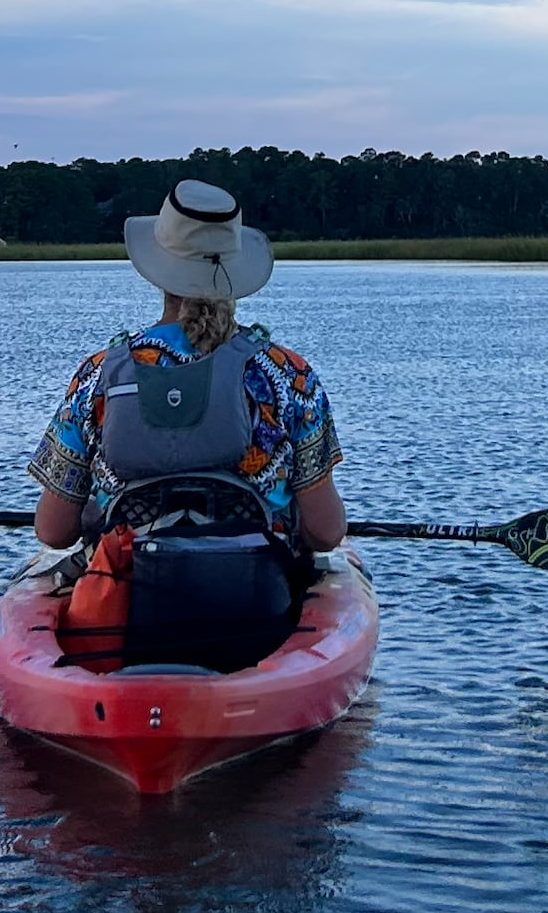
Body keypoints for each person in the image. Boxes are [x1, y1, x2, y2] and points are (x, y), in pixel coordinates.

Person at [29, 179, 343, 672]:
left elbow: (52, 531)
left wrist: (98, 512)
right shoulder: (288, 374)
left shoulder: (99, 374)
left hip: (125, 616)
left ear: (159, 271)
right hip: (255, 616)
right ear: (236, 273)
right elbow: (326, 533)